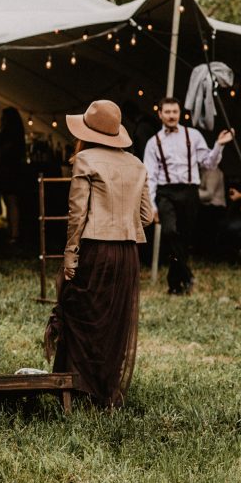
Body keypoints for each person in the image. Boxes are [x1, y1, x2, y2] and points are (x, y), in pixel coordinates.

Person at [45, 100, 154, 407]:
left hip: (95, 248)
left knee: (83, 313)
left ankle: (80, 386)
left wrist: (70, 254)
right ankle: (105, 386)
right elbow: (146, 216)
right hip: (127, 253)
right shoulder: (137, 164)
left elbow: (77, 215)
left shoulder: (85, 160)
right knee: (113, 319)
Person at [142, 97, 233, 295]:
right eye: (167, 112)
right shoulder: (153, 143)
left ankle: (176, 285)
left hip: (189, 192)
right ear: (160, 114)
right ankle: (188, 274)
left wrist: (219, 144)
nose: (171, 116)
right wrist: (152, 205)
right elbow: (150, 175)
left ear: (180, 113)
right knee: (169, 232)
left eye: (174, 112)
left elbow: (209, 163)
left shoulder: (193, 136)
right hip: (166, 192)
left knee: (184, 238)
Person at [0, 106, 28, 244]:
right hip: (15, 171)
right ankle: (13, 231)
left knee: (11, 202)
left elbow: (4, 152)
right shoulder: (18, 134)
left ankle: (14, 233)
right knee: (11, 202)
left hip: (9, 172)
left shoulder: (9, 135)